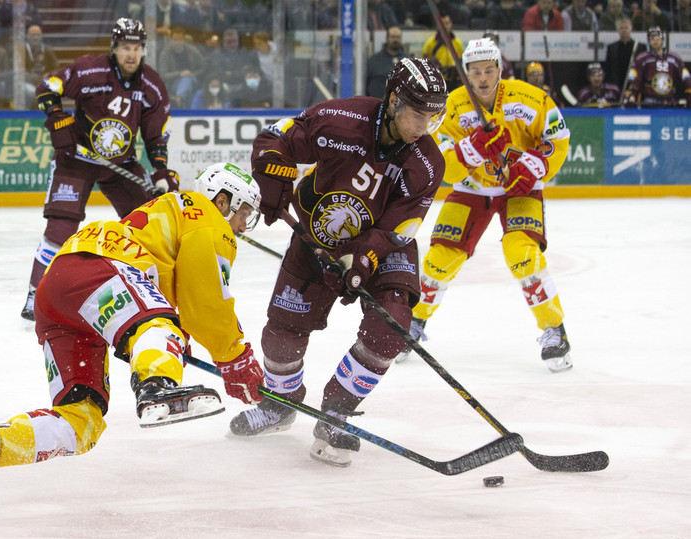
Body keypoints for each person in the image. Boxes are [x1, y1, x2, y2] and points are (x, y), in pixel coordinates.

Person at [0, 163, 267, 499]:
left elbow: (180, 304)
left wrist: (171, 346)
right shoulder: (207, 218)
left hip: (61, 291)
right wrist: (236, 358)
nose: (242, 226)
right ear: (223, 200)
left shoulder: (179, 213)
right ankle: (155, 387)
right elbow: (206, 304)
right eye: (245, 212)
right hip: (99, 268)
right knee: (159, 326)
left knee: (82, 420)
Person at [229, 58, 449, 468]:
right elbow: (274, 139)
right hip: (317, 234)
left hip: (383, 245)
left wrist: (362, 259)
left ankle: (337, 412)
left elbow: (399, 228)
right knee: (282, 332)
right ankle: (280, 403)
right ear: (394, 100)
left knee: (391, 327)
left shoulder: (427, 163)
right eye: (418, 114)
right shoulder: (340, 119)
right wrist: (273, 180)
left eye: (434, 117)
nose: (425, 126)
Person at [406, 39, 573, 373]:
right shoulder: (450, 106)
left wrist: (534, 166)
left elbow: (557, 136)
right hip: (473, 189)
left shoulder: (528, 97)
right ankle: (413, 323)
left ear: (500, 68)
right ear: (466, 73)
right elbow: (441, 162)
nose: (482, 78)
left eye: (488, 70)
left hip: (520, 191)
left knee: (522, 255)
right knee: (440, 259)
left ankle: (554, 330)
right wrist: (473, 149)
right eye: (475, 71)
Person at [20, 18, 180, 321]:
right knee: (60, 227)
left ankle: (154, 288)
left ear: (143, 50)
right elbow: (47, 87)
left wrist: (160, 170)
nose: (131, 54)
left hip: (119, 164)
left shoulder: (152, 86)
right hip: (77, 159)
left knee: (148, 222)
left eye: (136, 48)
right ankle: (35, 293)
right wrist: (56, 115)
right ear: (114, 48)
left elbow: (156, 136)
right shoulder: (89, 69)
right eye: (125, 47)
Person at [623, 26, 691, 107]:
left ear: (662, 40)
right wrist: (632, 95)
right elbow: (634, 78)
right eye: (652, 39)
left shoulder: (674, 58)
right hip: (649, 101)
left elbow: (686, 77)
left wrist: (689, 92)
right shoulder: (642, 58)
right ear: (648, 41)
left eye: (657, 39)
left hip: (669, 101)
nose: (655, 42)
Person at [157, 25, 205, 108]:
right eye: (175, 39)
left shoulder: (192, 51)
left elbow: (203, 67)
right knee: (187, 88)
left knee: (187, 80)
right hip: (173, 83)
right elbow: (163, 74)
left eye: (180, 39)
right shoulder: (165, 54)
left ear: (183, 40)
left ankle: (178, 100)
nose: (178, 42)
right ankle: (183, 103)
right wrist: (180, 74)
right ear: (170, 40)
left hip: (193, 79)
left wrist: (192, 74)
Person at [421, 14, 464, 90]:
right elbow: (423, 64)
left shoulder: (458, 43)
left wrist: (455, 69)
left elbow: (461, 63)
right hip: (437, 82)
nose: (444, 26)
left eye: (447, 23)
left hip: (454, 81)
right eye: (442, 24)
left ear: (451, 24)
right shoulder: (430, 43)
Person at [365, 26, 410, 98]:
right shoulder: (374, 60)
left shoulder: (408, 61)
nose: (395, 39)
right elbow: (366, 83)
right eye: (392, 37)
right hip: (377, 104)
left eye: (398, 37)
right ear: (387, 39)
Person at [604, 17, 646, 90]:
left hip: (634, 84)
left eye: (626, 28)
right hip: (616, 84)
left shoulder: (640, 47)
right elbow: (608, 68)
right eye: (621, 28)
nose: (624, 30)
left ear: (631, 29)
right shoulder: (611, 47)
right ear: (618, 30)